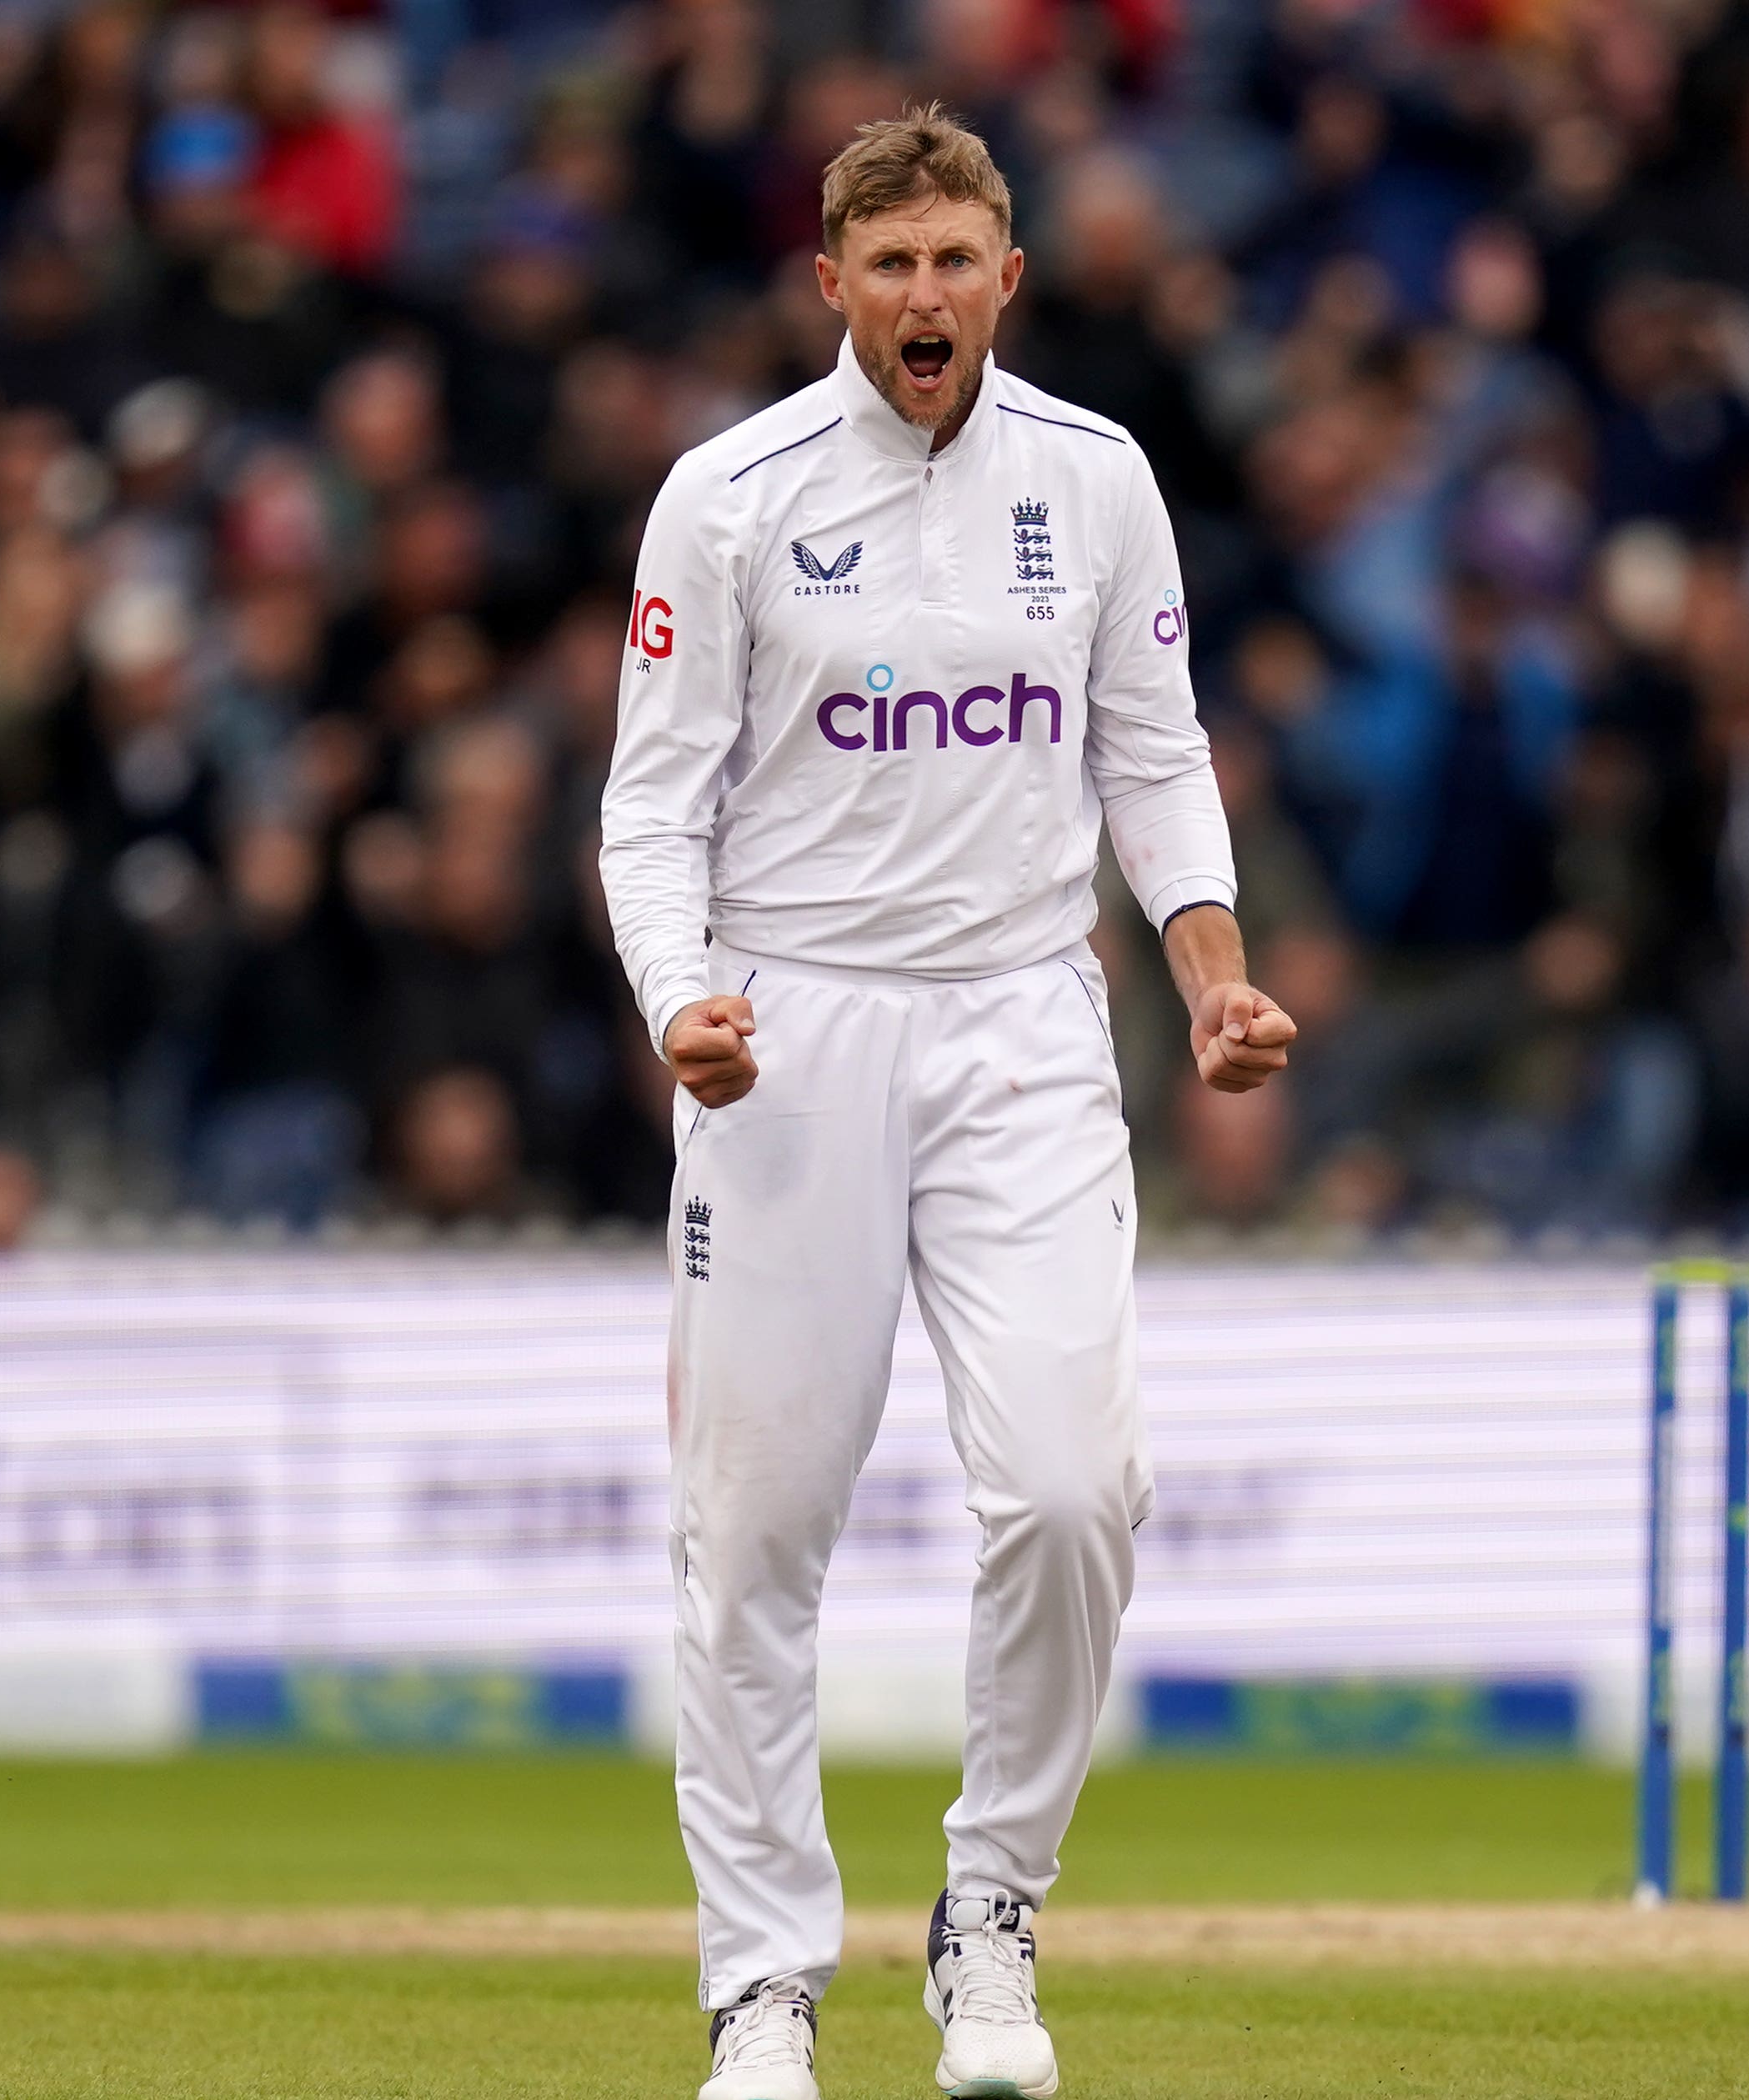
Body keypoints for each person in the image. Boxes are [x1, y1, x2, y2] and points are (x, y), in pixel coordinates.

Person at [599, 106, 1296, 2100]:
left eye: (955, 260)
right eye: (887, 264)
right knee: (752, 1540)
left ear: (1010, 277)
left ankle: (986, 1917)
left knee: (1075, 1496)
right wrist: (681, 1009)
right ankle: (759, 1987)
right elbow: (648, 805)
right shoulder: (725, 499)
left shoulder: (1092, 480)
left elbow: (1151, 753)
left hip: (1019, 1024)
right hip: (789, 1036)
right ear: (832, 285)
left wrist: (1211, 970)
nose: (925, 296)